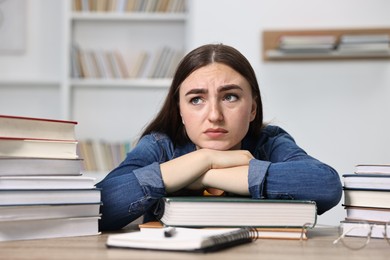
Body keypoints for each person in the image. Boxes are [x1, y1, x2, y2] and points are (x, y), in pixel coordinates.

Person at [96, 43, 342, 231]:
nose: (214, 115)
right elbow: (97, 208)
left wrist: (205, 174)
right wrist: (202, 159)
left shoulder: (269, 142)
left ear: (253, 109)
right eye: (196, 99)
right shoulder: (161, 145)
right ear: (180, 111)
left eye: (230, 97)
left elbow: (325, 185)